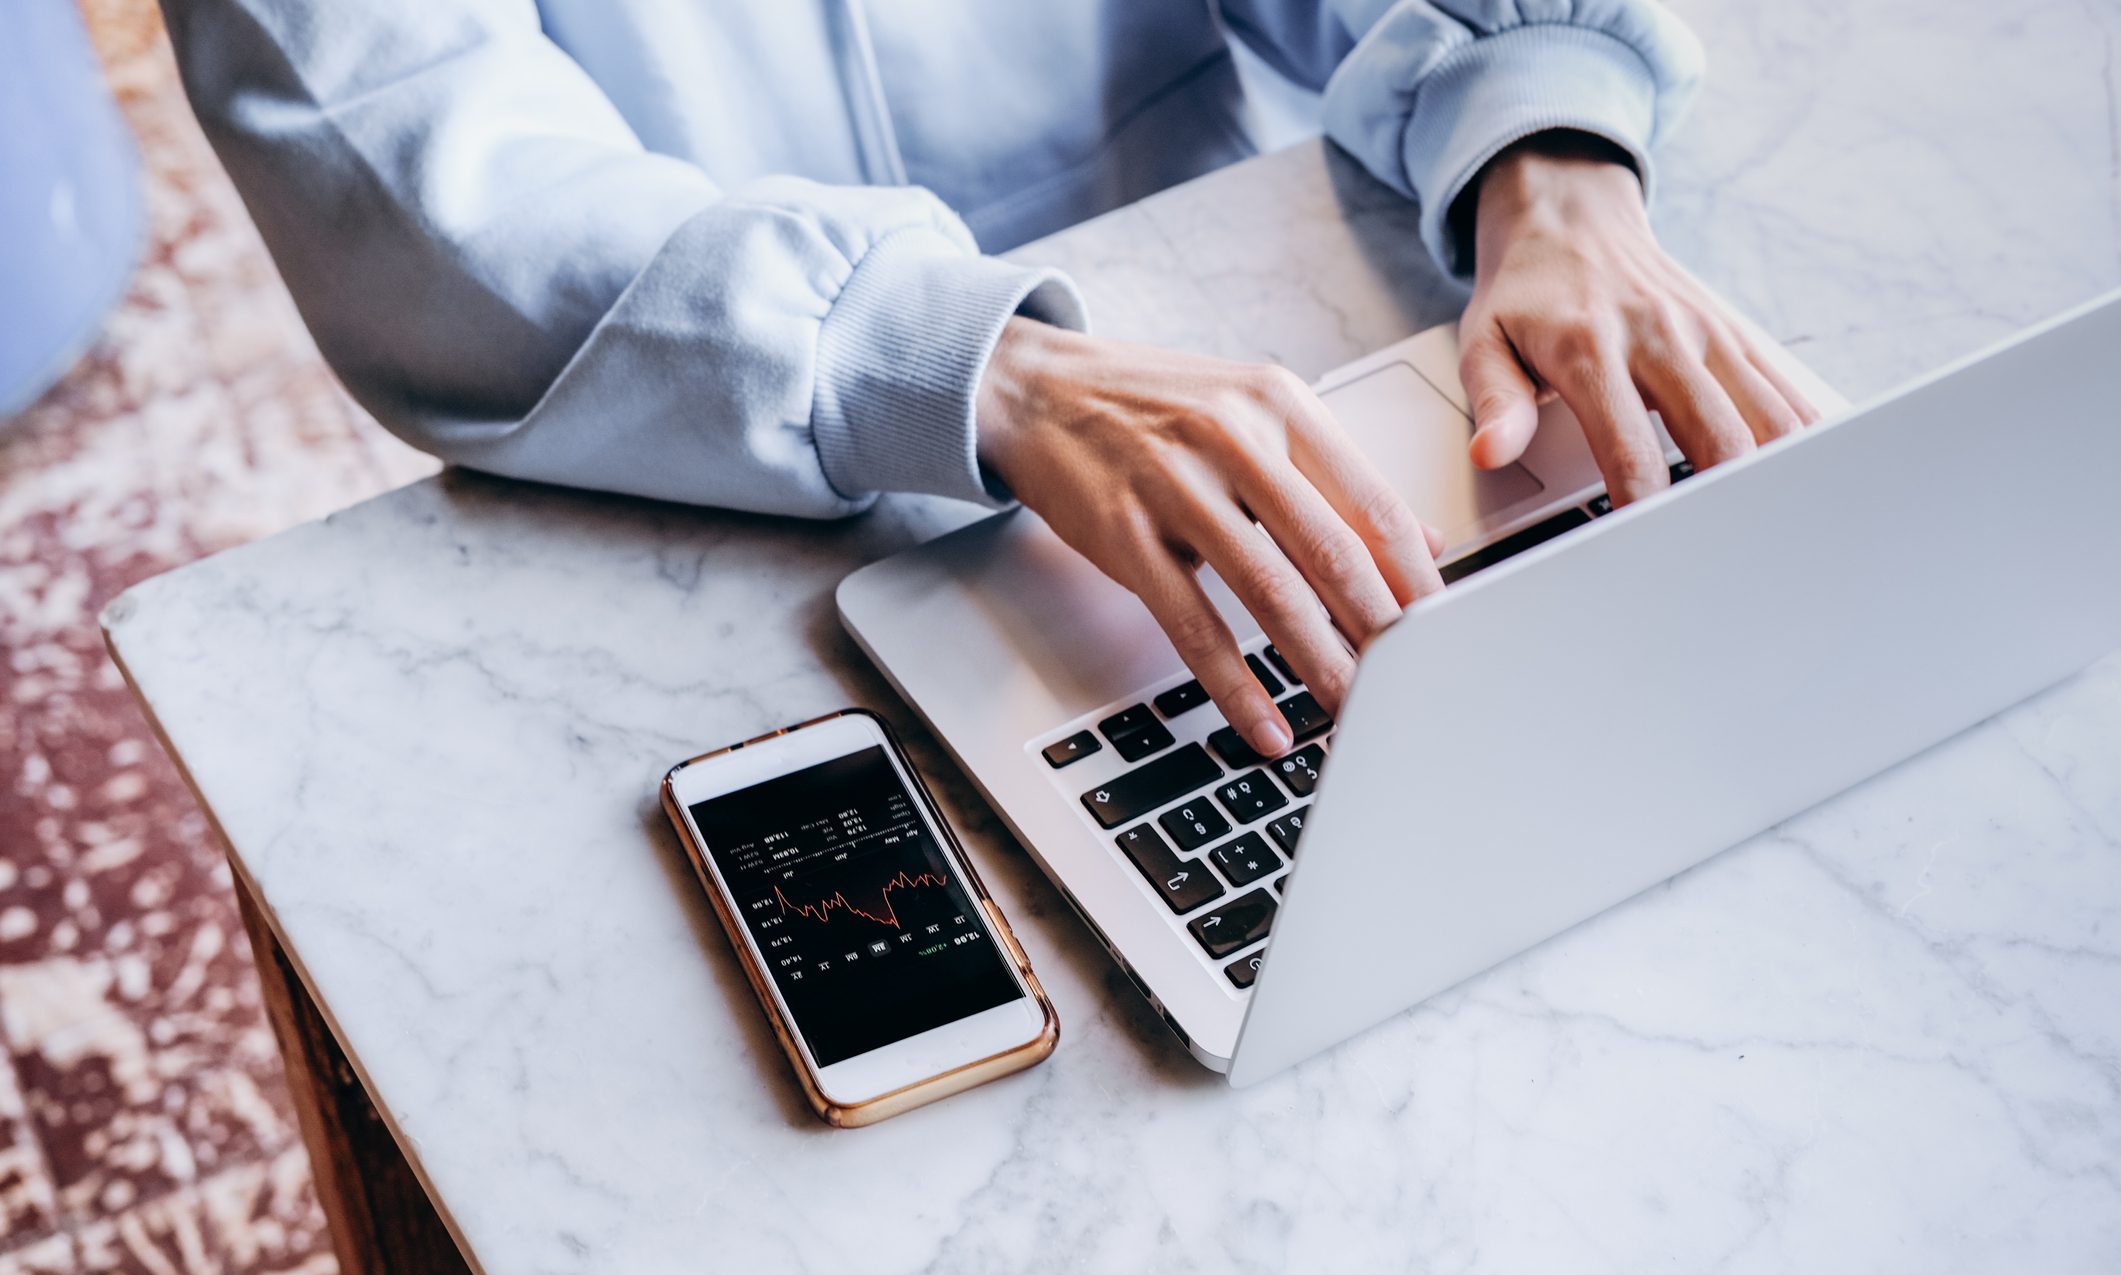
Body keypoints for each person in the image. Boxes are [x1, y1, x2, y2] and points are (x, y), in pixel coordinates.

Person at [163, 0, 1815, 757]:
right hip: (700, 497)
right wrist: (972, 368)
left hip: (1281, 366)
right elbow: (441, 210)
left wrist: (1545, 135)